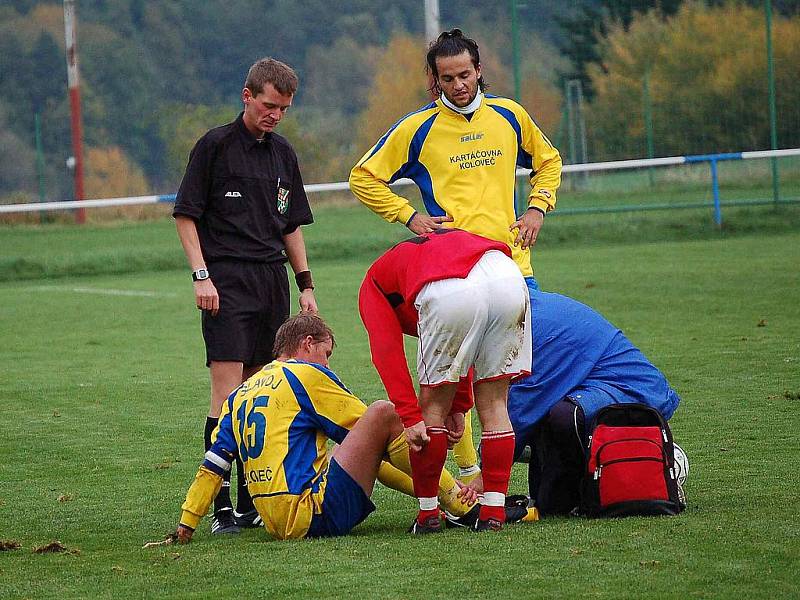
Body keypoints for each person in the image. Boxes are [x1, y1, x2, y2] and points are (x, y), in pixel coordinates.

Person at [175, 314, 479, 542]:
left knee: (346, 448)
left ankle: (443, 498)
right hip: (312, 513)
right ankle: (459, 502)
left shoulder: (240, 394)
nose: (327, 366)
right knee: (383, 413)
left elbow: (213, 465)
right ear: (308, 343)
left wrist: (188, 521)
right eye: (327, 354)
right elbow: (374, 430)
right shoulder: (304, 375)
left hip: (275, 523)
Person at [173, 57, 317, 535]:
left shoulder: (283, 154)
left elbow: (290, 224)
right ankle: (219, 509)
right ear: (247, 96)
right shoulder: (213, 147)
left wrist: (306, 285)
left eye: (284, 109)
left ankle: (252, 502)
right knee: (228, 395)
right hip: (226, 284)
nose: (275, 115)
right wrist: (201, 276)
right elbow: (186, 216)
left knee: (260, 394)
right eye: (269, 105)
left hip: (271, 281)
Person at [349, 28, 561, 289]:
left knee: (527, 331)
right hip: (454, 270)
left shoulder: (510, 114)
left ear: (478, 70)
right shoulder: (417, 128)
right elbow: (361, 178)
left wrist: (537, 209)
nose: (458, 85)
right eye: (447, 78)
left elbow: (549, 161)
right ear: (437, 80)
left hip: (513, 264)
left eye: (464, 75)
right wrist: (408, 215)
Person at [358, 228, 532, 532]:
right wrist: (460, 406)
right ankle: (493, 511)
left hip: (447, 286)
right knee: (495, 404)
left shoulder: (373, 283)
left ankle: (428, 516)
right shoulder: (420, 252)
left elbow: (387, 352)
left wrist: (411, 416)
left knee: (431, 410)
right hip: (507, 275)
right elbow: (465, 349)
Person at [462, 289, 685, 517]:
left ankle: (651, 457)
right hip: (590, 384)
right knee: (550, 504)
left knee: (564, 415)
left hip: (634, 391)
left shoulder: (536, 329)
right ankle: (570, 495)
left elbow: (521, 410)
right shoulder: (517, 311)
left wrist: (486, 481)